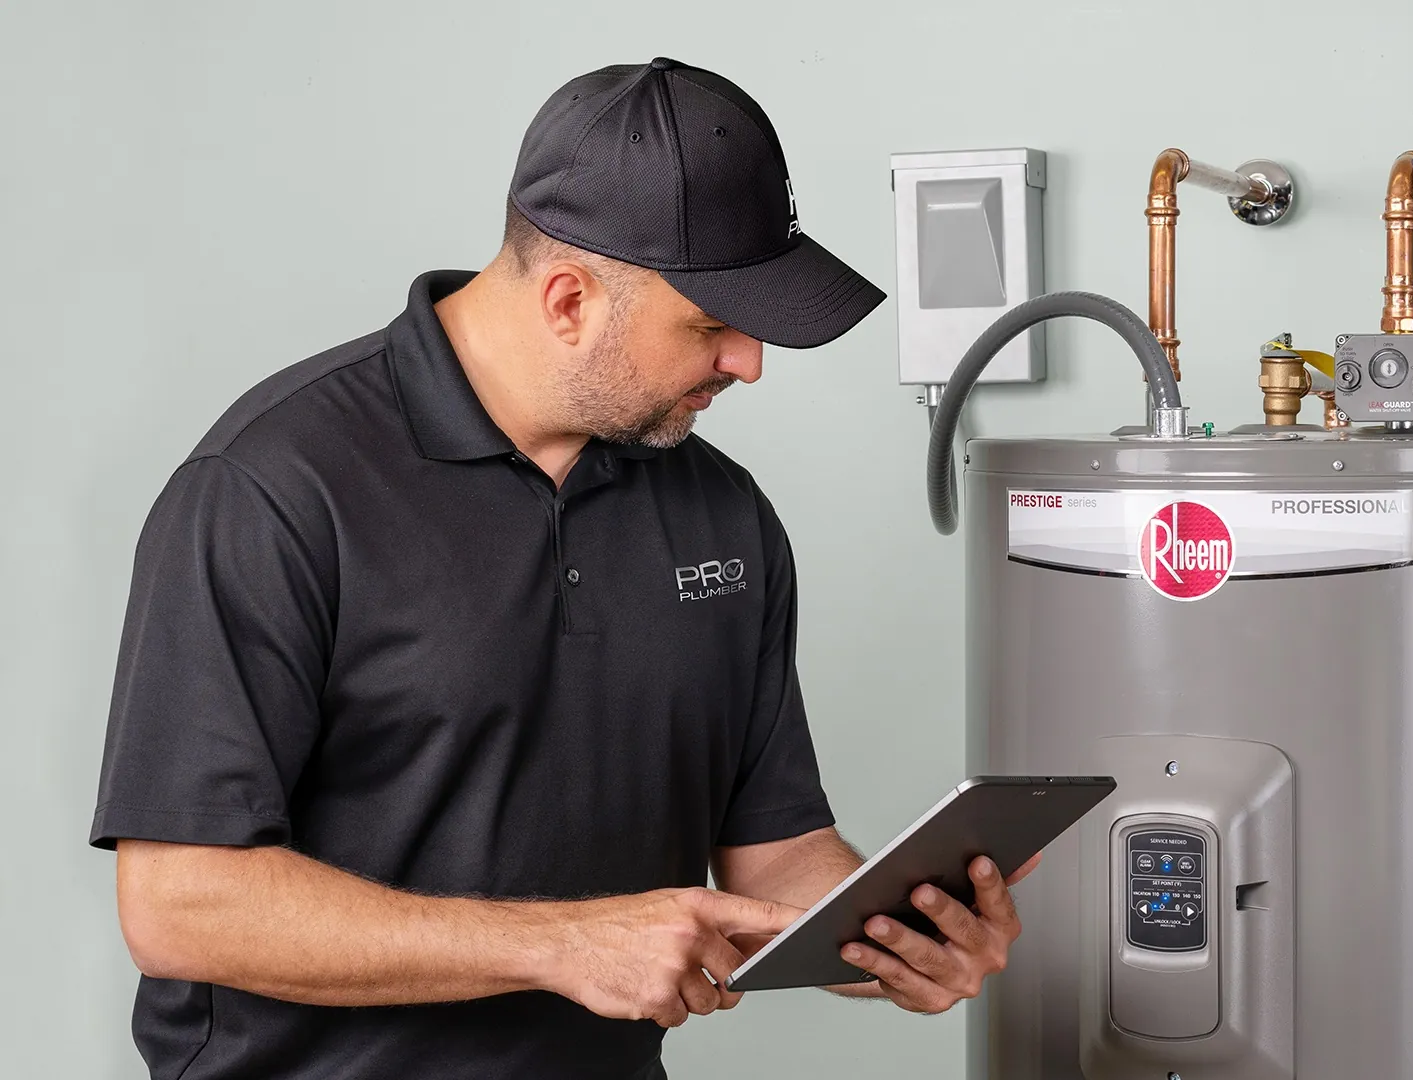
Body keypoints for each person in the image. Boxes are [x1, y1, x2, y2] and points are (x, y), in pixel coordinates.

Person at [89, 57, 1032, 1080]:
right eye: (713, 326)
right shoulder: (272, 489)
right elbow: (179, 905)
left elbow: (777, 854)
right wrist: (560, 946)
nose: (750, 364)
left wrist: (895, 938)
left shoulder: (724, 514)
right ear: (570, 299)